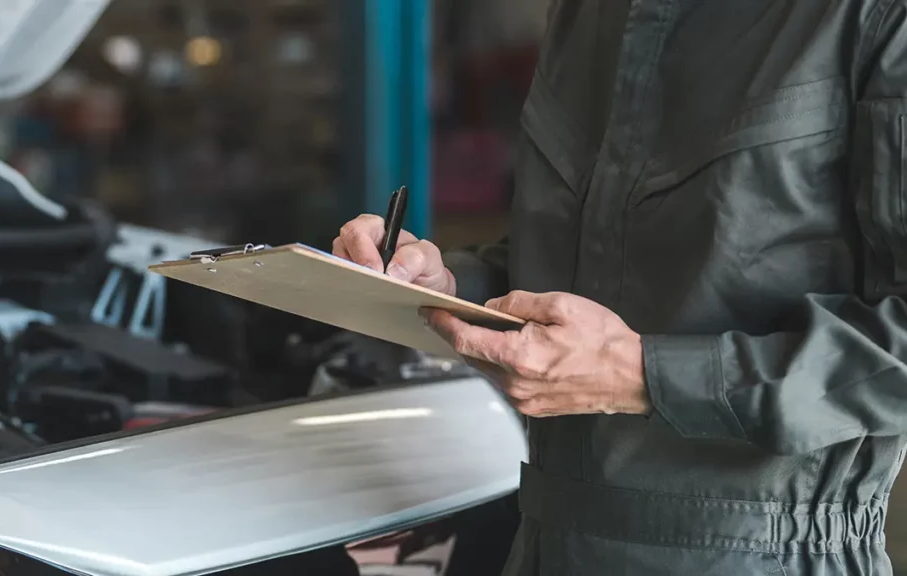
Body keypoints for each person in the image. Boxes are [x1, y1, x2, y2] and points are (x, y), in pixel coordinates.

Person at [332, 1, 907, 574]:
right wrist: (450, 283)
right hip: (545, 543)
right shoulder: (588, 15)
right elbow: (600, 265)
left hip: (768, 554)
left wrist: (643, 375)